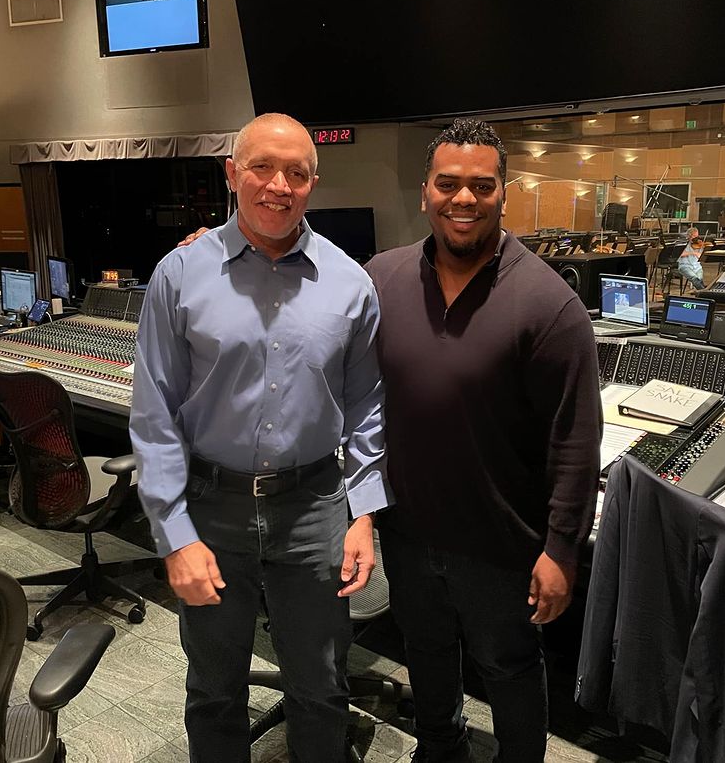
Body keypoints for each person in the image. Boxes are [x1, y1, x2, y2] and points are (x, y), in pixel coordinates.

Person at [129, 113, 391, 763]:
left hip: (314, 509)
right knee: (214, 689)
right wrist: (174, 535)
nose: (279, 185)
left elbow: (367, 407)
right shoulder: (178, 275)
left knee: (322, 687)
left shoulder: (351, 283)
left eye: (296, 173)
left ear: (313, 184)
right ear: (232, 173)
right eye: (262, 168)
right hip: (211, 508)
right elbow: (155, 415)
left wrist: (364, 514)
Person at [365, 119, 602, 761]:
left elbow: (575, 441)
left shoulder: (549, 304)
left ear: (504, 193)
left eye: (481, 185)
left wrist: (562, 550)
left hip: (502, 545)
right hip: (408, 531)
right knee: (425, 652)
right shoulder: (382, 278)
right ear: (425, 192)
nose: (463, 198)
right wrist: (215, 247)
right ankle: (439, 750)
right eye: (448, 184)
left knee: (509, 668)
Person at [676, 226, 713, 290]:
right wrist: (694, 253)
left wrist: (703, 248)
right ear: (689, 236)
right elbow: (679, 254)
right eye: (694, 236)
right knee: (695, 279)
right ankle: (704, 292)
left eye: (697, 236)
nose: (696, 238)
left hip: (697, 266)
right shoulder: (683, 244)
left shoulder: (698, 244)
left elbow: (701, 255)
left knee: (699, 279)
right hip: (685, 266)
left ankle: (701, 292)